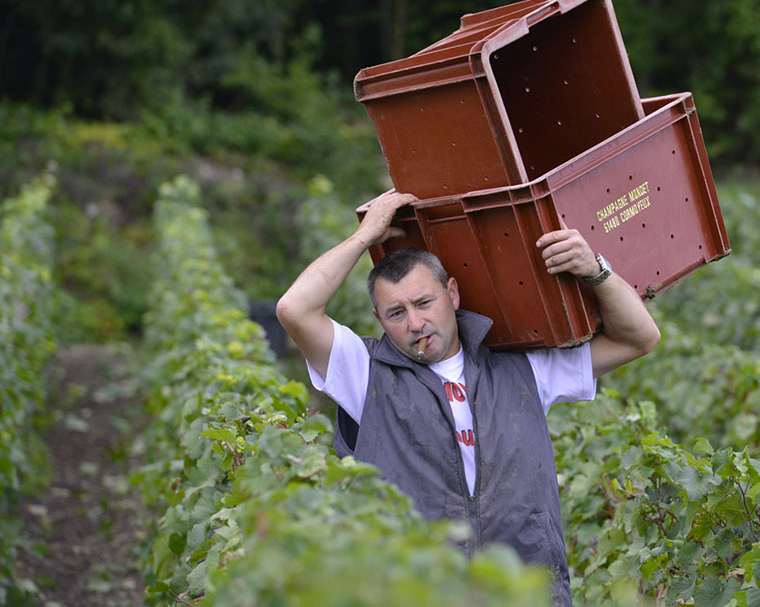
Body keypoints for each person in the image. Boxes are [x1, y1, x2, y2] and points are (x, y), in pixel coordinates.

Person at [276, 191, 660, 606]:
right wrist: (365, 236)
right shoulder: (364, 373)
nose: (415, 322)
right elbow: (295, 308)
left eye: (424, 303)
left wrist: (595, 270)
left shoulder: (520, 368)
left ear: (452, 295)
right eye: (396, 313)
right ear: (379, 320)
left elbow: (638, 338)